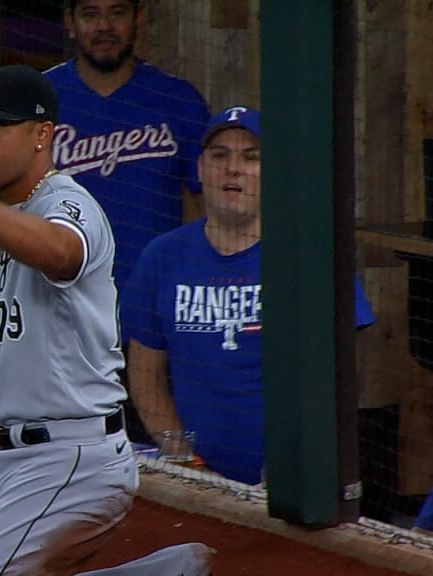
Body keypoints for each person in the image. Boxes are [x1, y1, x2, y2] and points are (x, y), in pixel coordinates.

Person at [0, 64, 211, 576]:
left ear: (42, 135)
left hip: (74, 458)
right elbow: (26, 320)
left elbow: (61, 254)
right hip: (18, 460)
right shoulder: (0, 219)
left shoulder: (68, 205)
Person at [120, 106, 376, 485]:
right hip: (196, 474)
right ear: (200, 169)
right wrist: (187, 463)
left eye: (251, 157)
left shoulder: (309, 256)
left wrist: (291, 468)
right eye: (219, 155)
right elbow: (145, 375)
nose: (233, 168)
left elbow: (342, 375)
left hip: (297, 479)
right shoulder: (162, 257)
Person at [44, 0, 211, 445]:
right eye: (90, 14)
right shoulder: (38, 101)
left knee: (170, 473)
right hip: (61, 321)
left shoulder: (177, 100)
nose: (104, 26)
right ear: (69, 22)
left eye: (117, 12)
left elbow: (209, 214)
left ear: (139, 19)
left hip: (155, 327)